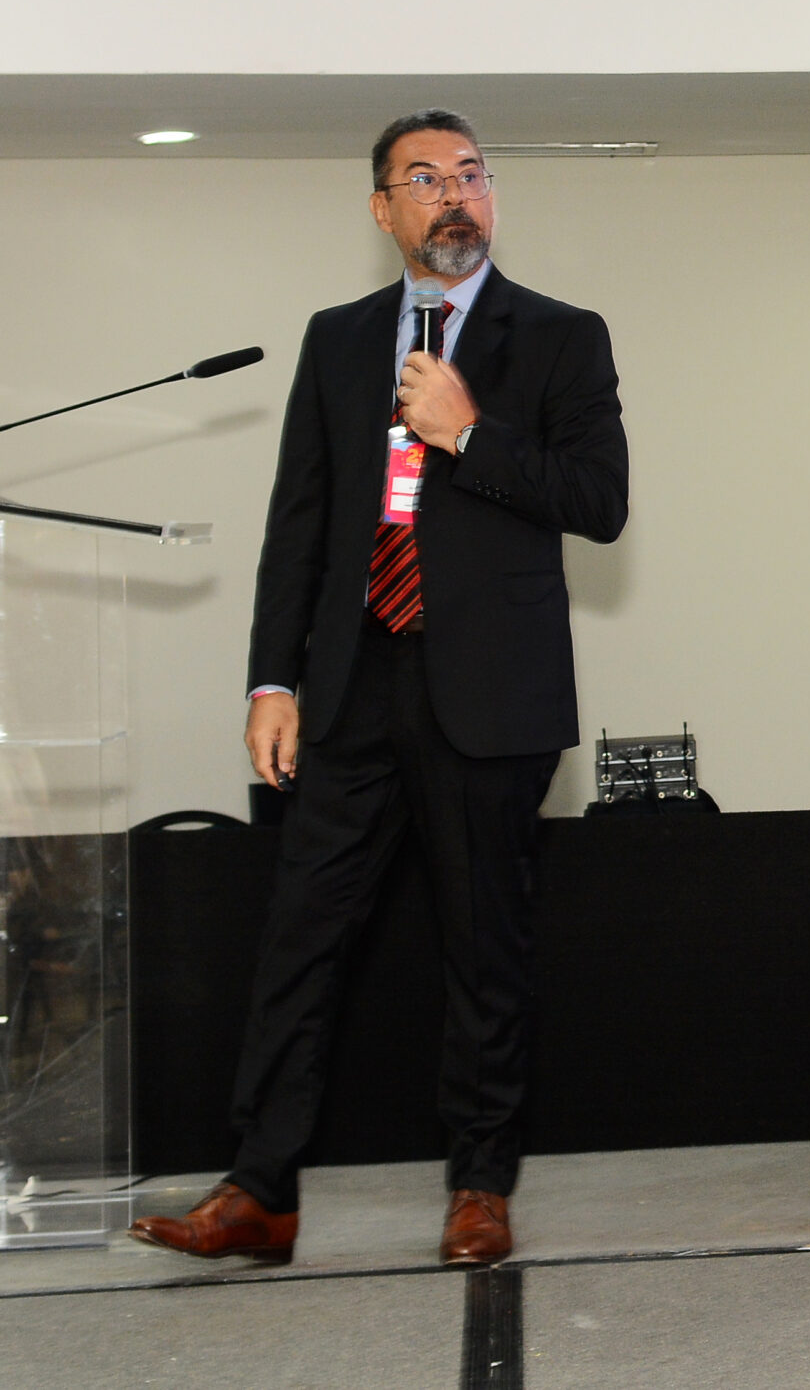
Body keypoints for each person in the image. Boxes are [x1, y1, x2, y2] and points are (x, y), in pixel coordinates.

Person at [130, 109, 629, 1267]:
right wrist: (273, 678)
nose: (456, 194)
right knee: (299, 939)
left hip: (489, 694)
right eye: (426, 177)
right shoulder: (338, 338)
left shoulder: (560, 335)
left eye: (472, 174)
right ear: (382, 208)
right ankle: (261, 1190)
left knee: (483, 951)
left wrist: (469, 434)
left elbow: (600, 500)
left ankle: (479, 1184)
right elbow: (299, 521)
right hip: (353, 681)